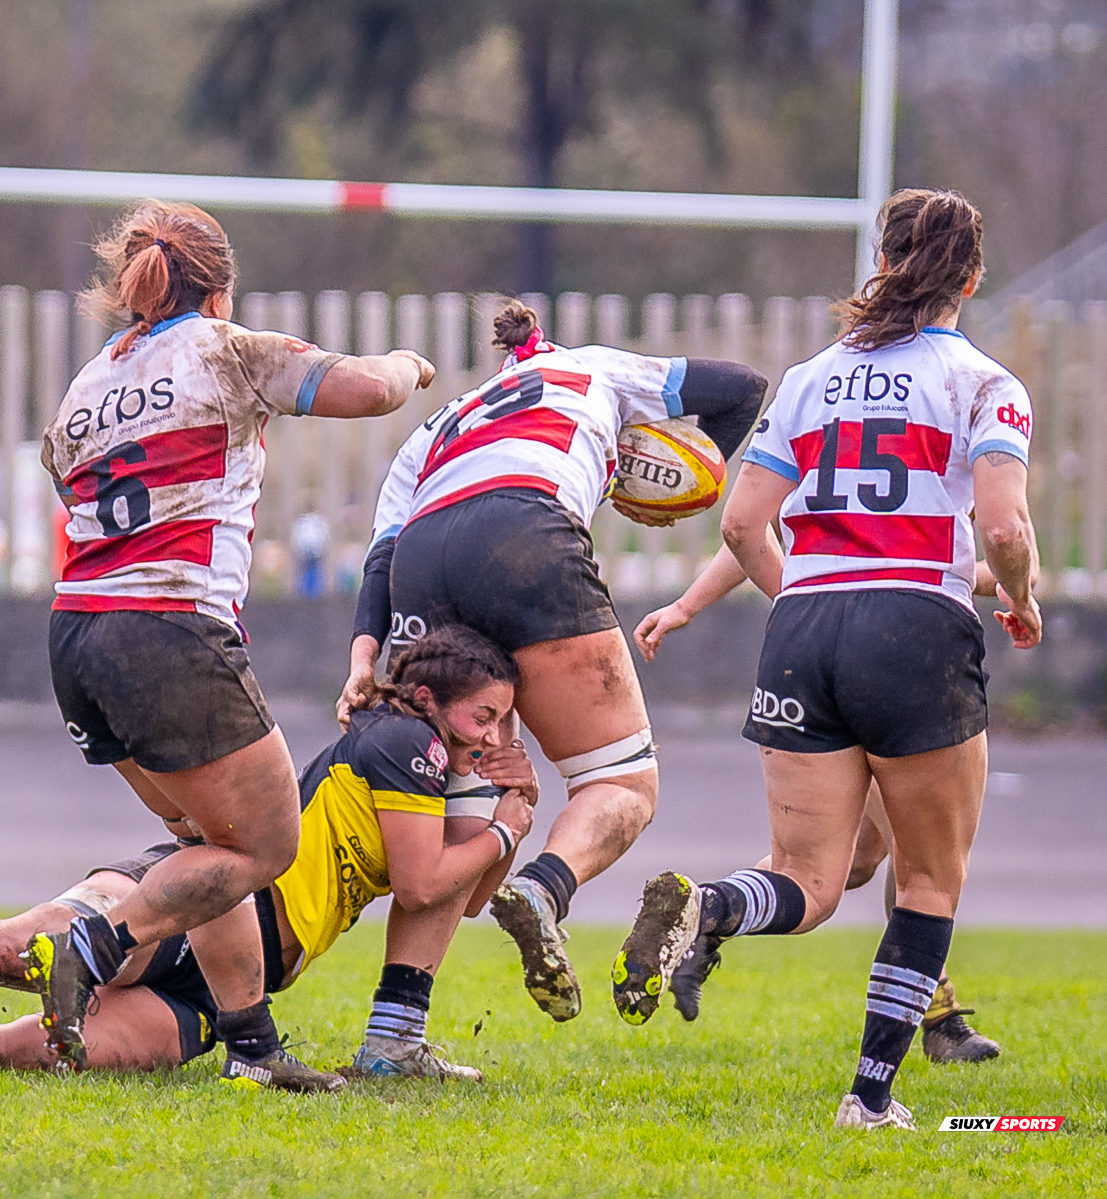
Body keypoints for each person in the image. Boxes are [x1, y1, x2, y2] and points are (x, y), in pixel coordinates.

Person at [612, 189, 1040, 1130]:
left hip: (802, 627)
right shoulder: (983, 382)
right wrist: (1020, 591)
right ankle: (869, 1099)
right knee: (927, 881)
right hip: (917, 625)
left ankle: (713, 905)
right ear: (970, 278)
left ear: (881, 260)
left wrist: (811, 597)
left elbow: (740, 521)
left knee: (810, 879)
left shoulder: (809, 376)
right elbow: (1004, 525)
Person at [0, 627, 535, 1086]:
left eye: (505, 722)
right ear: (429, 700)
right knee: (11, 951)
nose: (493, 736)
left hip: (238, 978)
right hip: (197, 901)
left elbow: (452, 900)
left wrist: (512, 810)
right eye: (484, 717)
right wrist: (501, 828)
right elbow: (430, 878)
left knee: (40, 1050)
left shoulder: (430, 765)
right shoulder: (404, 743)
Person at [28, 200, 438, 1082]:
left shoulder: (88, 384)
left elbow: (64, 482)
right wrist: (411, 365)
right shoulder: (224, 350)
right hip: (170, 629)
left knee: (200, 839)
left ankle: (252, 1047)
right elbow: (363, 389)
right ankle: (99, 942)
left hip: (76, 636)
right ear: (218, 289)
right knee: (265, 847)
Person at [340, 297, 767, 1023]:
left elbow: (383, 552)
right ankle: (544, 888)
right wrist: (699, 479)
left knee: (460, 809)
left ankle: (396, 1027)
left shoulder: (444, 421)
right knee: (620, 780)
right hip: (527, 529)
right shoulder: (591, 366)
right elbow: (741, 389)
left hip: (423, 553)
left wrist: (362, 658)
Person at [634, 545, 1002, 1063]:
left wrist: (691, 605)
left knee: (853, 860)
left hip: (810, 646)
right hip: (892, 651)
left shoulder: (820, 466)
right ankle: (937, 1020)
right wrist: (1015, 579)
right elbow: (748, 524)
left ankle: (706, 917)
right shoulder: (936, 462)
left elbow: (748, 521)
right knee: (920, 860)